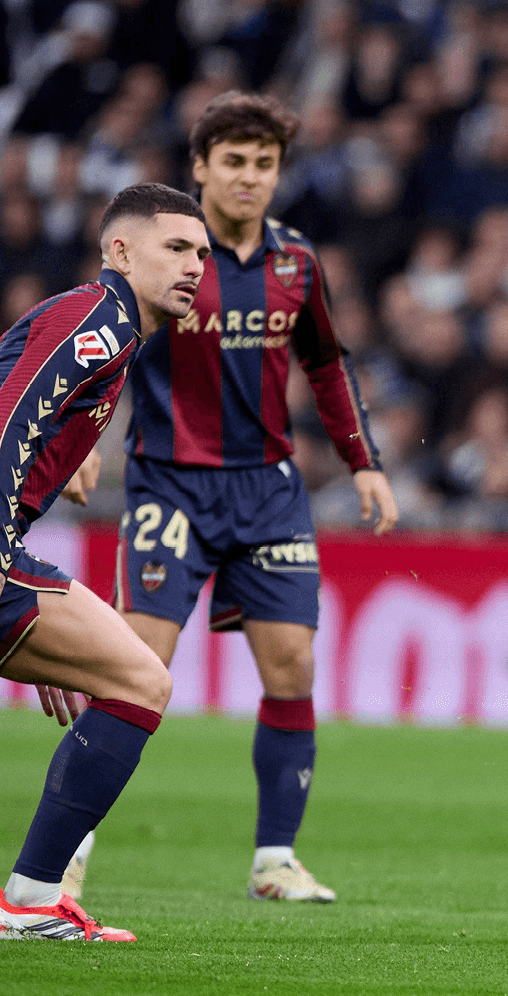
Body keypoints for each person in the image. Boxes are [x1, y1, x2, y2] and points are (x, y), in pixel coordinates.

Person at [66, 93, 398, 907]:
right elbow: (100, 348)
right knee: (132, 669)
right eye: (234, 162)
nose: (250, 177)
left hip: (268, 492)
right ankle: (65, 853)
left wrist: (364, 461)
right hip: (169, 484)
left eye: (264, 163)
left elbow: (326, 363)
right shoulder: (167, 257)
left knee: (293, 667)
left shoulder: (296, 263)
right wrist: (79, 440)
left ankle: (275, 861)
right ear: (201, 168)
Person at [0, 183, 208, 940]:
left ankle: (31, 899)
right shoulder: (99, 319)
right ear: (120, 251)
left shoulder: (109, 333)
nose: (194, 267)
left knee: (131, 677)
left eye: (202, 254)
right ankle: (29, 900)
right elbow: (9, 422)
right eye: (176, 248)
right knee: (139, 680)